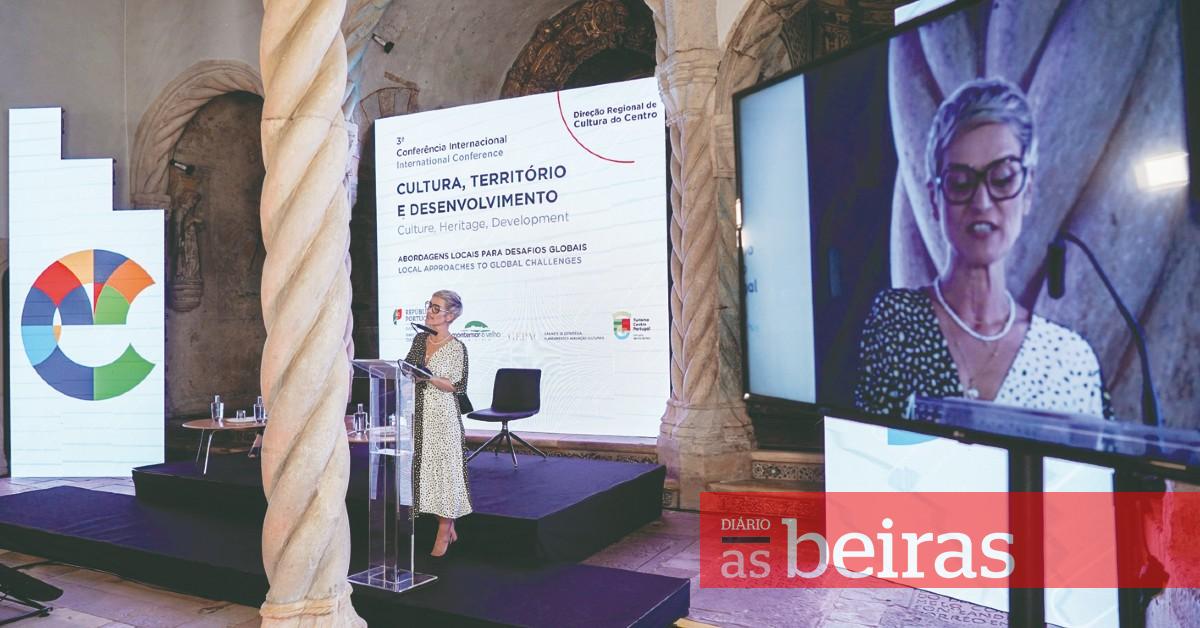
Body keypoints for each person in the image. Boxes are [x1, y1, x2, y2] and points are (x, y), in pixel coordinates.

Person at [854, 78, 1111, 420]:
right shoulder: (896, 322)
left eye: (1002, 178)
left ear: (1027, 191)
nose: (982, 202)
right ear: (934, 199)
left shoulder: (1070, 360)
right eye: (960, 183)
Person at [404, 290, 473, 556]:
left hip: (443, 418)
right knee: (427, 474)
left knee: (445, 474)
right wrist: (411, 373)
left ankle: (444, 531)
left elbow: (457, 385)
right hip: (419, 414)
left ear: (450, 316)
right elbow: (408, 368)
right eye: (429, 306)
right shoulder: (420, 339)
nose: (430, 312)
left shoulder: (457, 348)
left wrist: (428, 377)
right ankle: (447, 523)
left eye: (436, 308)